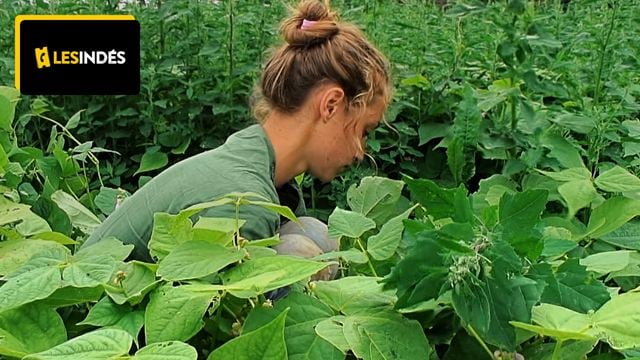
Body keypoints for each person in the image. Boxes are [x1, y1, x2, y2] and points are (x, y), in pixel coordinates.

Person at [81, 0, 392, 262]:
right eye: (364, 130)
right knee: (299, 252)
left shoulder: (255, 171)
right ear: (331, 105)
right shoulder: (244, 205)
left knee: (309, 233)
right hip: (83, 329)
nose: (360, 151)